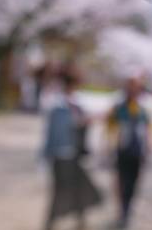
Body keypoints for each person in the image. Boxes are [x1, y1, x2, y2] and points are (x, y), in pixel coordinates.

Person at [42, 69, 102, 230]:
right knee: (60, 190)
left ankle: (79, 222)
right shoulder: (58, 105)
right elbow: (56, 131)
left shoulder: (76, 104)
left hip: (74, 154)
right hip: (61, 154)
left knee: (79, 188)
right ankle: (51, 223)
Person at [106, 76, 152, 229]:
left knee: (133, 182)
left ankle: (127, 209)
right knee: (121, 182)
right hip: (122, 150)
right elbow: (110, 127)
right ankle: (123, 211)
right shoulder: (119, 108)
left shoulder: (142, 110)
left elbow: (149, 128)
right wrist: (110, 143)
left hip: (137, 152)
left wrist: (150, 143)